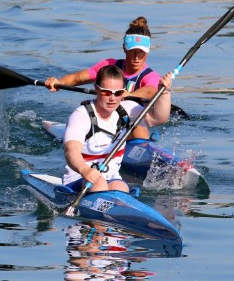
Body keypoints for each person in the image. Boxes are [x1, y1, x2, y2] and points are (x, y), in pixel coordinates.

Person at [62, 65, 173, 193]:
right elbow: (71, 150)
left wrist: (164, 92)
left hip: (111, 179)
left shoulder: (127, 109)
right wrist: (84, 170)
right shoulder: (81, 116)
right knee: (99, 183)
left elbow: (159, 118)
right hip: (79, 180)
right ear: (96, 89)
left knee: (121, 187)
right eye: (106, 92)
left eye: (118, 93)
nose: (112, 98)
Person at [45, 16, 160, 140]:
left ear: (147, 51)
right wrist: (59, 82)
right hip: (102, 117)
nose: (136, 57)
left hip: (131, 125)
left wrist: (129, 94)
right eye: (132, 51)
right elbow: (77, 78)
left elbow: (149, 91)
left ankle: (142, 148)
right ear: (124, 48)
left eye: (141, 52)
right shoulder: (109, 66)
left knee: (138, 124)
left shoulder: (151, 76)